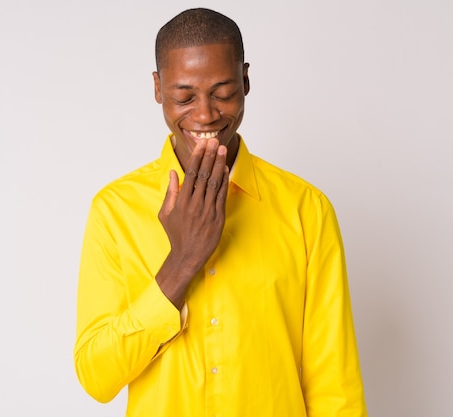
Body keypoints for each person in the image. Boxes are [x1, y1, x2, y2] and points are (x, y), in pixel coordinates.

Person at [74, 8, 367, 417]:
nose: (206, 114)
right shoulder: (114, 210)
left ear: (246, 80)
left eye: (223, 92)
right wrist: (182, 262)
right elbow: (96, 376)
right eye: (184, 95)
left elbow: (334, 384)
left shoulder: (306, 209)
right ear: (158, 88)